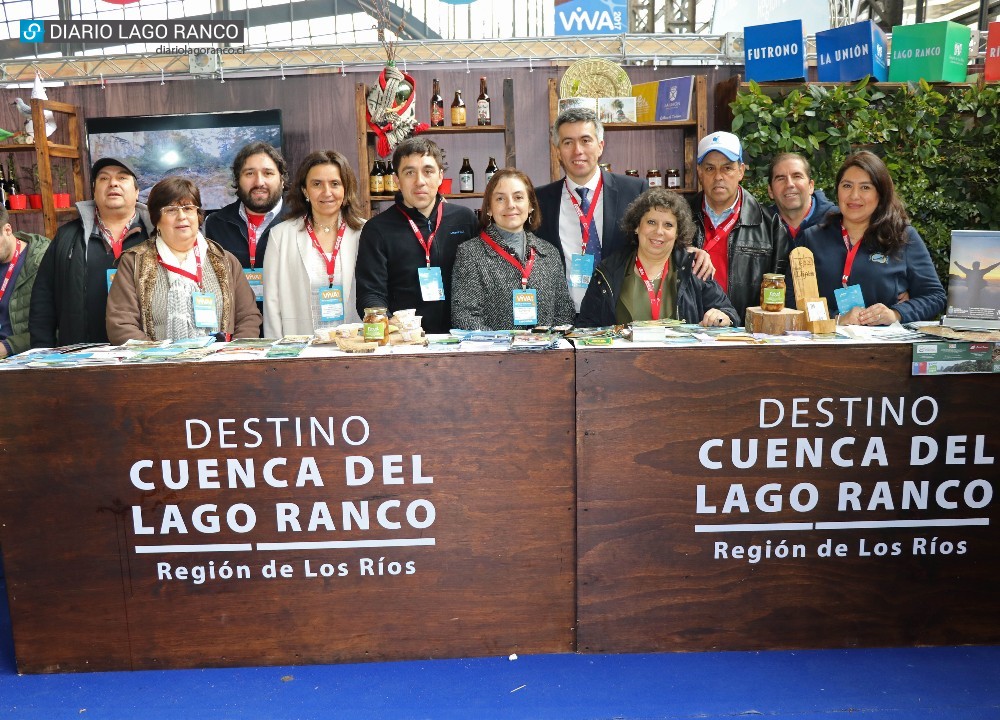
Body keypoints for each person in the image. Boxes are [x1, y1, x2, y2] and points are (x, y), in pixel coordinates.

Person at [795, 151, 946, 325]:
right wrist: (836, 319)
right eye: (847, 186)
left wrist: (896, 313)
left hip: (883, 348)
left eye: (865, 187)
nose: (854, 196)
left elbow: (935, 296)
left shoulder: (902, 236)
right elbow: (793, 300)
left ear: (881, 194)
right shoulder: (811, 238)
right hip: (825, 346)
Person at [106, 176, 261, 343]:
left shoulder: (226, 261)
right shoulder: (134, 262)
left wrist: (229, 356)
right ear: (156, 220)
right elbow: (121, 325)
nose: (182, 216)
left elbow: (248, 318)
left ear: (198, 215)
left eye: (188, 208)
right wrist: (162, 360)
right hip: (157, 365)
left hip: (218, 364)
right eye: (171, 210)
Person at [354, 137, 479, 333]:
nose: (420, 181)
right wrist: (389, 324)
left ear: (440, 176)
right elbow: (370, 294)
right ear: (397, 181)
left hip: (460, 340)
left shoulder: (465, 219)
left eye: (428, 171)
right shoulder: (376, 229)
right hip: (404, 344)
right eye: (409, 172)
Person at [29, 157, 152, 348]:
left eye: (122, 178)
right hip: (81, 356)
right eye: (103, 179)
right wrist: (42, 351)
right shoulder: (66, 236)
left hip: (144, 355)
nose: (113, 183)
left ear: (137, 192)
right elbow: (43, 299)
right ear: (94, 192)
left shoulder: (155, 236)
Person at [534, 107, 646, 310]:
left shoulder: (634, 191)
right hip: (563, 318)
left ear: (600, 146)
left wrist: (690, 250)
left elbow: (659, 239)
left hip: (621, 314)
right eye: (568, 142)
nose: (578, 150)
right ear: (558, 151)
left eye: (586, 140)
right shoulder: (540, 200)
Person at [578, 188, 737, 328]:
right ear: (637, 226)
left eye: (668, 225)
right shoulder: (608, 271)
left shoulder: (694, 267)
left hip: (683, 360)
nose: (659, 231)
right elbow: (586, 326)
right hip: (622, 361)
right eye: (651, 222)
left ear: (677, 233)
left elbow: (729, 313)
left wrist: (722, 317)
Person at [451, 168, 574, 331]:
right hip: (496, 353)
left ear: (530, 205)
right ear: (489, 208)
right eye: (500, 198)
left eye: (518, 197)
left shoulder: (549, 253)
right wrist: (506, 346)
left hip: (545, 353)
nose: (510, 205)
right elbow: (465, 317)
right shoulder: (470, 253)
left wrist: (545, 343)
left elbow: (564, 312)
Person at [689, 131, 789, 321]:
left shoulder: (770, 225)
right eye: (710, 168)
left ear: (741, 171)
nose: (718, 176)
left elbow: (781, 293)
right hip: (688, 332)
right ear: (699, 172)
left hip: (746, 335)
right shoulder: (679, 218)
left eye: (727, 168)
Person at [263, 151, 364, 337]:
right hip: (300, 348)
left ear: (346, 189)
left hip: (354, 347)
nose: (327, 192)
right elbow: (271, 302)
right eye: (317, 184)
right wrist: (276, 355)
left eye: (335, 184)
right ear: (305, 190)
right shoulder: (280, 236)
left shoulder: (364, 233)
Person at [203, 142, 286, 310]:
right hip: (238, 328)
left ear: (282, 180)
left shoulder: (300, 221)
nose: (259, 182)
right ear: (237, 180)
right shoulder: (216, 224)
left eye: (268, 173)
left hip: (290, 328)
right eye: (249, 173)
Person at [0, 207, 49, 358]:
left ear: (7, 230)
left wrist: (9, 346)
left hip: (24, 358)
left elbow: (59, 327)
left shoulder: (44, 259)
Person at [766, 152, 835, 239]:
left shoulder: (839, 222)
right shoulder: (760, 228)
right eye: (781, 178)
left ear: (811, 186)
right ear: (770, 191)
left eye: (797, 176)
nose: (789, 184)